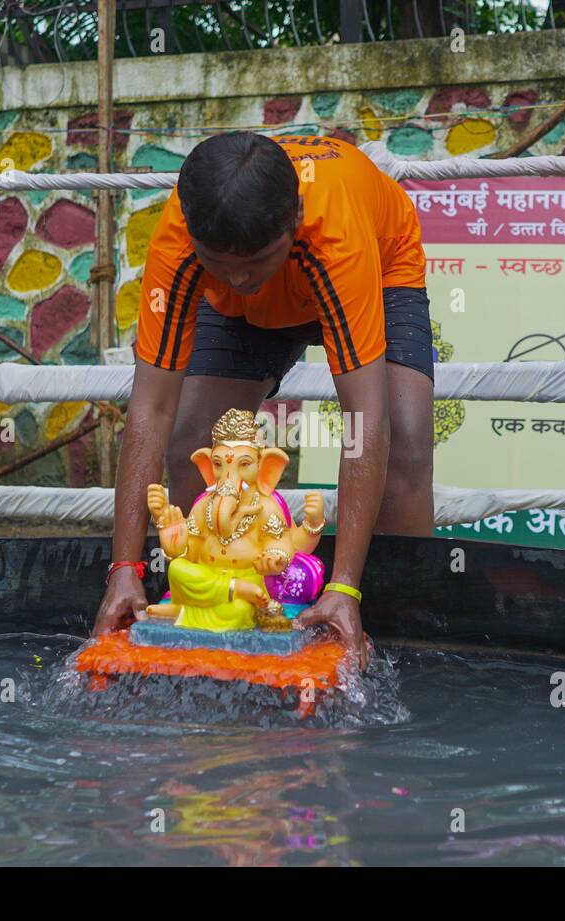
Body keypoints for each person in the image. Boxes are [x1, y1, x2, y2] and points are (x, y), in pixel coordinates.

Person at [91, 131, 435, 664]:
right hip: (247, 300)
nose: (240, 277)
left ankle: (386, 632)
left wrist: (342, 585)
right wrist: (122, 570)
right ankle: (189, 606)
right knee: (189, 441)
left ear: (295, 215)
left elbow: (362, 422)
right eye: (220, 261)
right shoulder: (181, 241)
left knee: (407, 450)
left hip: (376, 264)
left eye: (254, 260)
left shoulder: (334, 236)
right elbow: (151, 409)